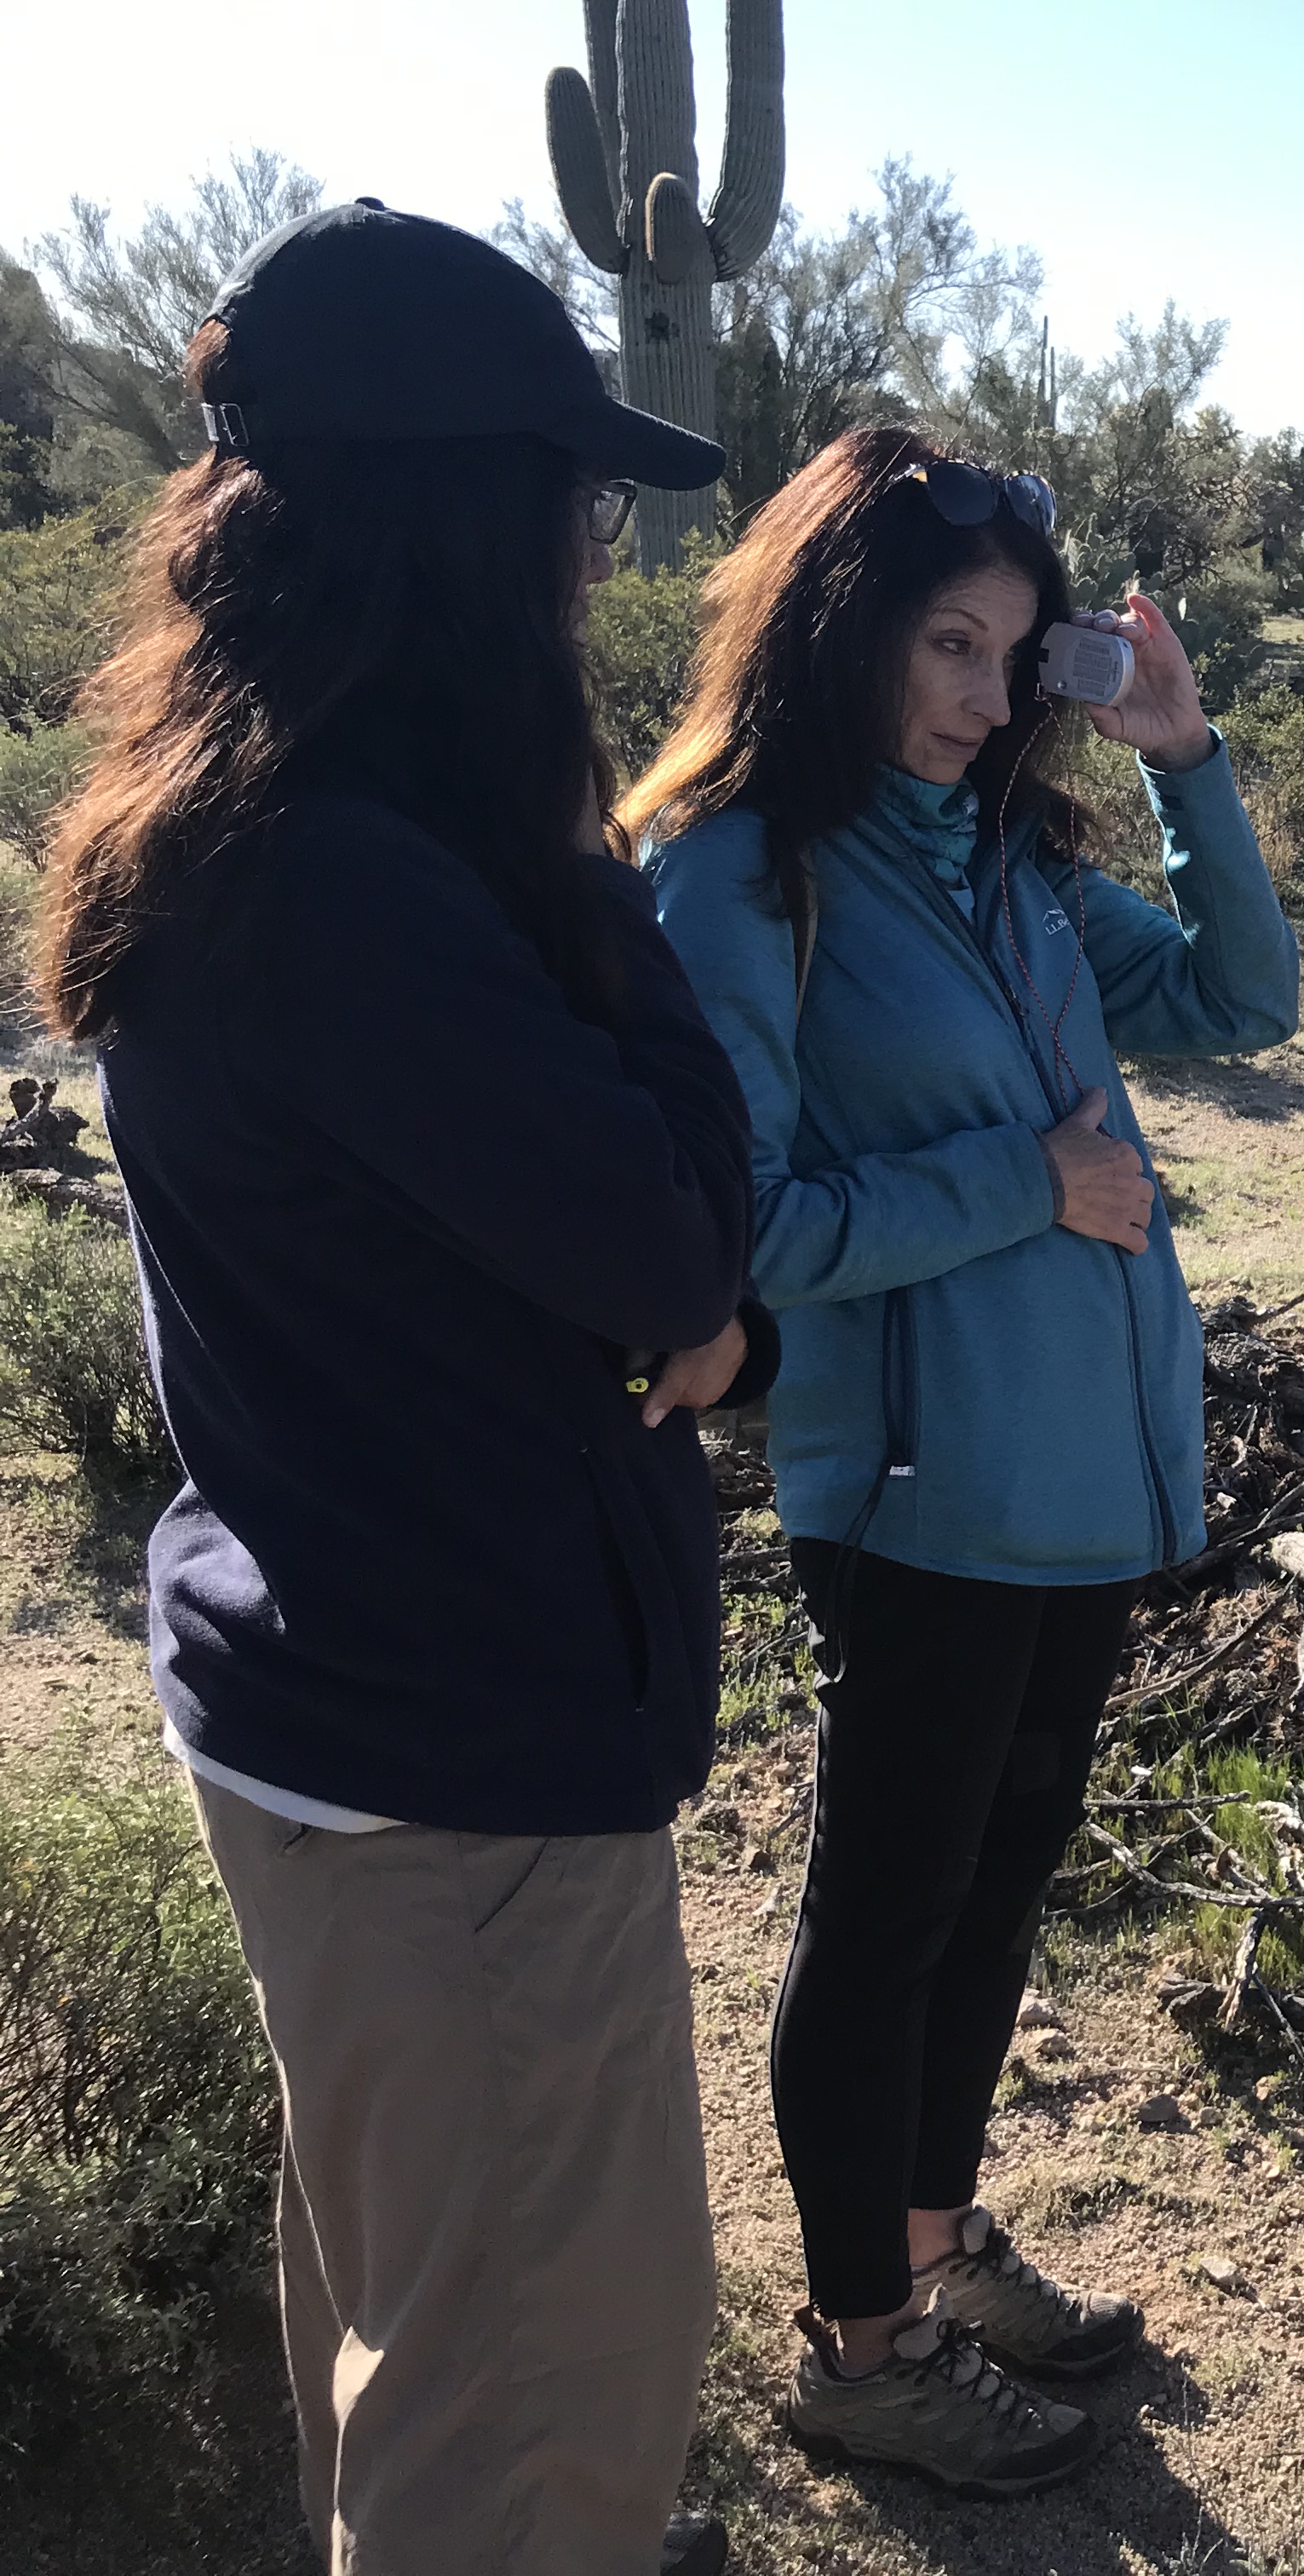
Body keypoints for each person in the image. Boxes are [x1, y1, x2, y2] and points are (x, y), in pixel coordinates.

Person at [31, 203, 769, 2574]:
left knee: (410, 2319)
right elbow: (680, 1228)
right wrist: (591, 863)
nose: (597, 544)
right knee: (530, 2421)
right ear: (459, 525)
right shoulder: (360, 893)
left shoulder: (258, 844)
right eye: (573, 495)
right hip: (459, 1763)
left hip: (334, 1707)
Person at [634, 427, 1299, 2497]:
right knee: (889, 1909)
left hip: (1088, 1487)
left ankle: (929, 2246)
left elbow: (1244, 997)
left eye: (1014, 653)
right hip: (914, 1490)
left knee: (997, 1890)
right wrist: (1029, 1181)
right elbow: (740, 1232)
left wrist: (1188, 759)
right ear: (837, 631)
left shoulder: (1008, 864)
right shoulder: (743, 876)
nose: (977, 693)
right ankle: (861, 2345)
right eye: (941, 640)